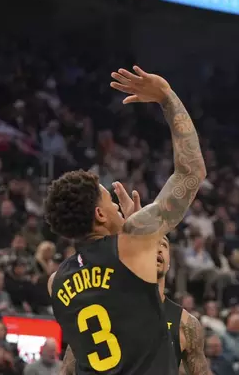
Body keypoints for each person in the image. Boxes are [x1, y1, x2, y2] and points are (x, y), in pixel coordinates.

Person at [46, 65, 206, 375]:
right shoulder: (133, 243)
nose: (119, 208)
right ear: (100, 214)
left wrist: (131, 236)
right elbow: (191, 172)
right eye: (110, 200)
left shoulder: (57, 282)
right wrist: (167, 97)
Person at [59, 234, 211, 375]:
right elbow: (67, 370)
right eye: (149, 244)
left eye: (163, 245)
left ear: (169, 261)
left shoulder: (185, 323)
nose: (158, 249)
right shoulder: (100, 309)